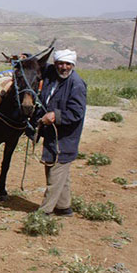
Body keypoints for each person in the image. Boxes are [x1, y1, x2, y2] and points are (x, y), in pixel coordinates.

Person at [33, 49, 87, 216]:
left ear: (73, 65)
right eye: (61, 63)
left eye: (68, 64)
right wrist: (25, 56)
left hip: (65, 137)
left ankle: (44, 211)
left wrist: (55, 116)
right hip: (51, 134)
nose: (64, 67)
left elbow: (77, 113)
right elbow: (36, 64)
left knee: (56, 172)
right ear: (55, 64)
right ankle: (64, 207)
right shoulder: (52, 73)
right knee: (54, 167)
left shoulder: (76, 84)